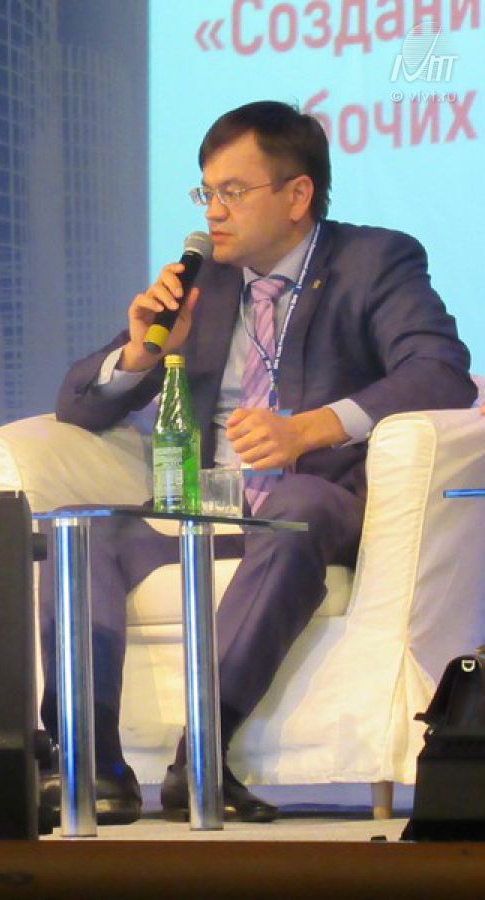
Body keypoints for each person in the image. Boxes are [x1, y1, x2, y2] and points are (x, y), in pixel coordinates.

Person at [54, 101, 474, 824]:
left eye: (232, 192)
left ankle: (200, 755)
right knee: (82, 532)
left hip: (315, 500)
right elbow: (77, 405)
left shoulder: (372, 262)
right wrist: (143, 352)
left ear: (297, 194)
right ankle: (89, 763)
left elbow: (441, 373)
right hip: (205, 510)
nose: (212, 212)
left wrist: (308, 430)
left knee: (295, 506)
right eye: (206, 192)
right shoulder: (206, 284)